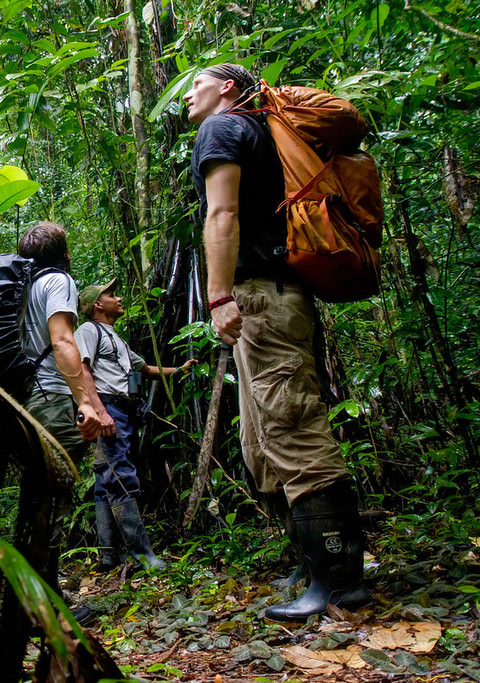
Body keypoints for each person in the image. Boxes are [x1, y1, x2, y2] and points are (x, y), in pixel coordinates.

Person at [183, 63, 369, 621]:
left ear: (229, 89)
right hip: (275, 296)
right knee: (263, 441)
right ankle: (314, 566)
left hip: (259, 295)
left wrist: (218, 296)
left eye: (199, 83)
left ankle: (338, 580)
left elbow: (223, 211)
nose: (189, 93)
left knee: (290, 426)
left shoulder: (224, 128)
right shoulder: (260, 133)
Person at [16, 221, 115, 625]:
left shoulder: (21, 289)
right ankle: (48, 606)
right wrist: (85, 403)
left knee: (38, 493)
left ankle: (34, 593)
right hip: (54, 399)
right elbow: (62, 341)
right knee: (52, 494)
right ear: (66, 255)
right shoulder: (57, 281)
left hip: (28, 398)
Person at [75, 278, 196, 572]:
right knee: (120, 477)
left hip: (124, 410)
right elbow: (82, 368)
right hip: (108, 407)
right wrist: (99, 411)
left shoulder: (116, 338)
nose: (118, 298)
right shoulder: (88, 330)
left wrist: (178, 370)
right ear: (97, 305)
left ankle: (108, 557)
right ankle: (142, 556)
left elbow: (144, 369)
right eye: (111, 295)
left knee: (107, 482)